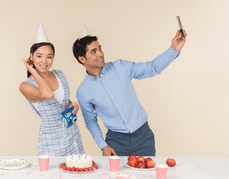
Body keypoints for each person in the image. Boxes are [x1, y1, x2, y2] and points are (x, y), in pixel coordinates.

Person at [72, 26, 186, 156]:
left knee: (148, 175)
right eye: (93, 51)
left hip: (143, 137)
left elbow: (152, 67)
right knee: (117, 176)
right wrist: (103, 146)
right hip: (116, 142)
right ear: (82, 59)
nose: (100, 53)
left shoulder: (120, 67)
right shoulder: (83, 91)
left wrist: (174, 49)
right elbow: (90, 121)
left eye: (100, 48)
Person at [20, 23, 84, 156]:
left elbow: (63, 101)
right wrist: (32, 70)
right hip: (52, 142)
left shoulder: (59, 74)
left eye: (49, 57)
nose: (44, 61)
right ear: (31, 57)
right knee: (55, 176)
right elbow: (48, 94)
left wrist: (73, 105)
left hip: (73, 136)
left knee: (78, 172)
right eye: (39, 56)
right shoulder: (26, 86)